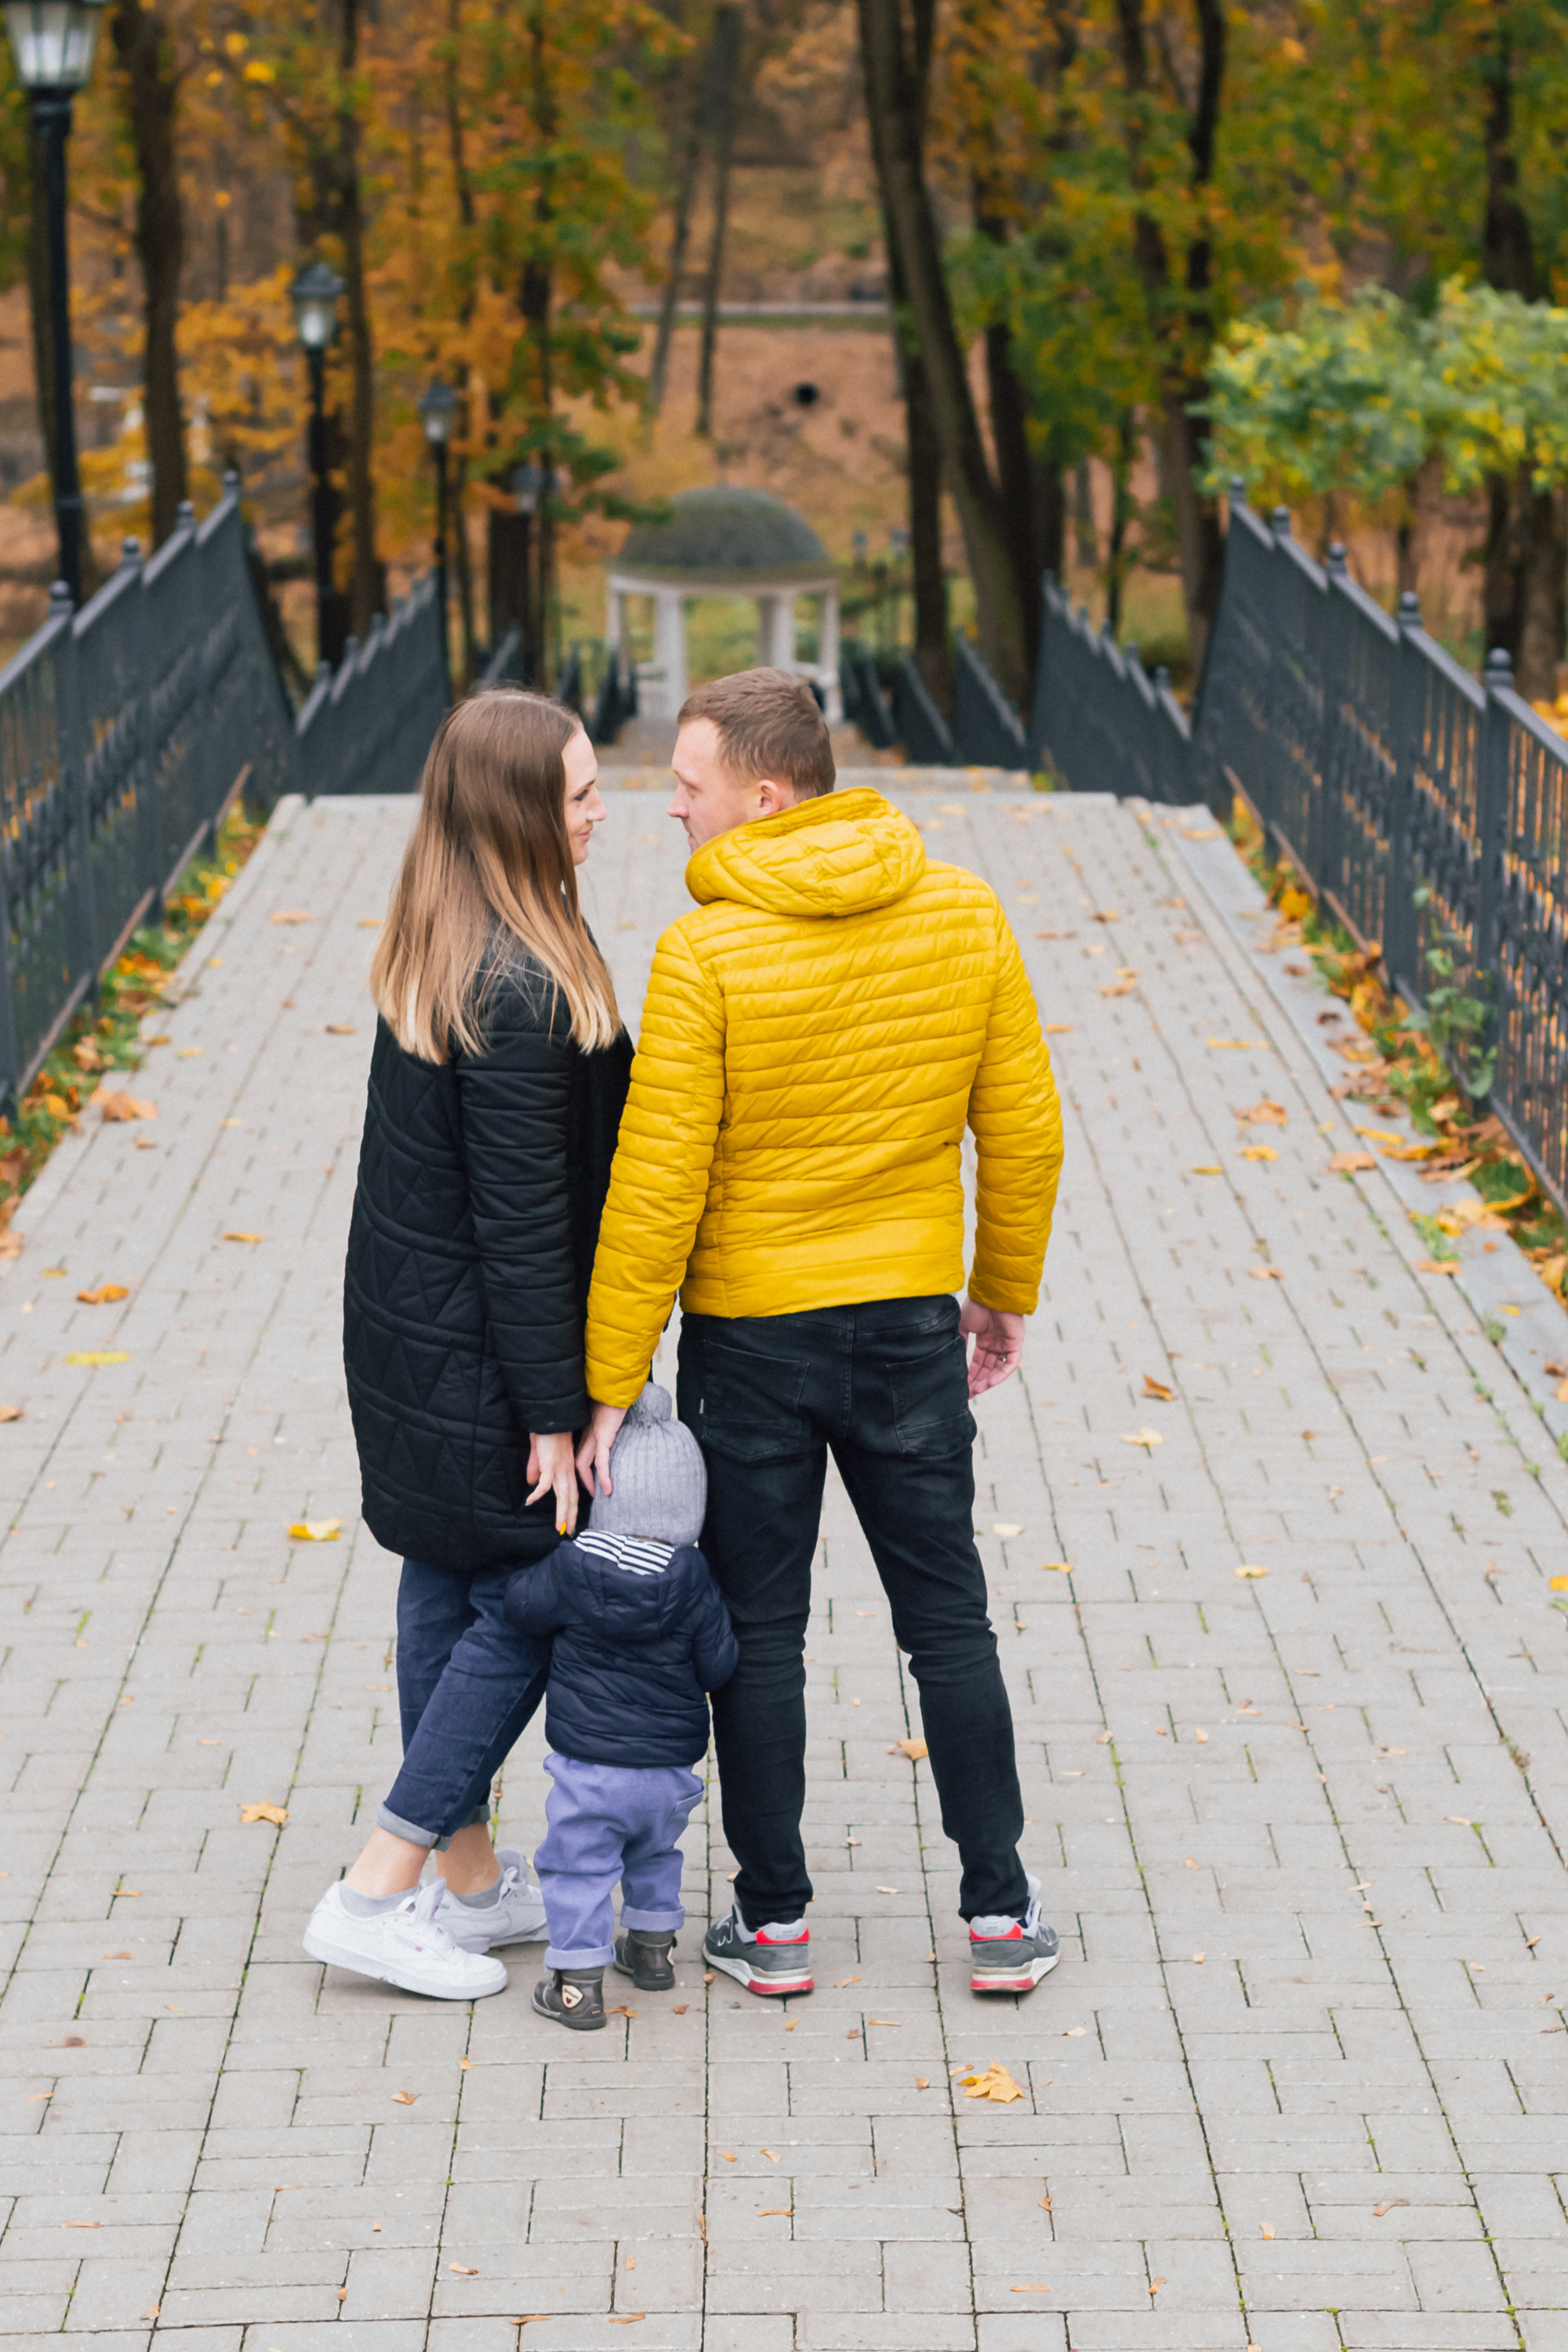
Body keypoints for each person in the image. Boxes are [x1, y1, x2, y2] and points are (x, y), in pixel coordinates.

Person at [578, 666, 1064, 2000]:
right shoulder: (964, 913)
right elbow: (1022, 1126)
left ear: (764, 792)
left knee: (763, 1630)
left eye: (687, 786)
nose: (669, 809)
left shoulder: (707, 954)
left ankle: (776, 1925)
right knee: (948, 1621)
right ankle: (1003, 1917)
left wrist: (609, 1381)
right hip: (907, 1325)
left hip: (751, 1342)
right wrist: (998, 1288)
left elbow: (656, 1184)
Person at [304, 691, 633, 2002]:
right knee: (528, 1606)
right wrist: (556, 1414)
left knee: (443, 1592)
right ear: (517, 815)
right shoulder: (517, 983)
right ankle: (375, 1888)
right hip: (486, 1364)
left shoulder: (448, 945)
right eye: (582, 793)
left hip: (414, 1346)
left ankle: (472, 1883)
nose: (603, 811)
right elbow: (525, 1229)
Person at [506, 1381, 739, 2030]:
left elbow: (520, 1607)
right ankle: (652, 1952)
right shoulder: (693, 1580)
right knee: (654, 1855)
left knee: (577, 1866)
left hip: (590, 1769)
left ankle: (577, 1985)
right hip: (668, 1774)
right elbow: (721, 1664)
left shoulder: (573, 1565)